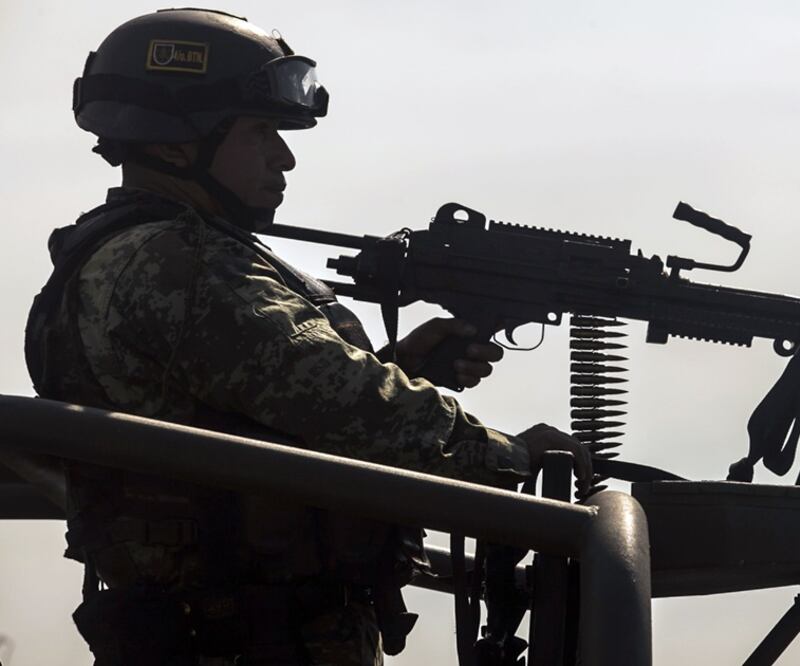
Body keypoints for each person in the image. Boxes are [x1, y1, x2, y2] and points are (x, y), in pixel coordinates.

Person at [24, 8, 590, 665]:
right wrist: (506, 460)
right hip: (248, 641)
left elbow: (259, 410)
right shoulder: (176, 261)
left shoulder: (147, 251)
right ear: (177, 141)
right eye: (261, 131)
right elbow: (339, 399)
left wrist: (398, 366)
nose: (284, 156)